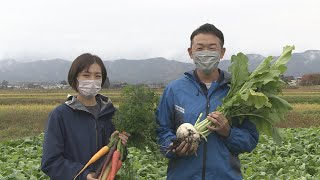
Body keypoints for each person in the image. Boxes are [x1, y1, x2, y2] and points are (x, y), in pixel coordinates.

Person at [156, 23, 259, 179]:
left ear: (222, 52)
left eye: (212, 48)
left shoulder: (238, 91)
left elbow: (250, 140)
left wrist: (228, 132)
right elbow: (161, 132)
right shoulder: (174, 90)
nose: (205, 53)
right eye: (199, 48)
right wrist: (174, 146)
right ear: (190, 52)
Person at [41, 53, 129, 180]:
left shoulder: (112, 114)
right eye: (86, 75)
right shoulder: (60, 115)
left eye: (97, 76)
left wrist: (122, 146)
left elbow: (119, 156)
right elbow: (50, 162)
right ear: (75, 79)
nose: (92, 80)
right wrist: (84, 175)